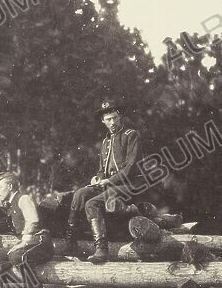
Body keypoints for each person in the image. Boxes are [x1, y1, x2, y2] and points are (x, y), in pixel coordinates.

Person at [63, 100, 155, 263]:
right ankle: (70, 241)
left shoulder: (130, 135)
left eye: (114, 118)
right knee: (80, 193)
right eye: (108, 119)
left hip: (130, 185)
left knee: (92, 203)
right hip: (110, 184)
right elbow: (102, 169)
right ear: (103, 121)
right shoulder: (105, 142)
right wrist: (97, 178)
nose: (112, 122)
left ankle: (101, 248)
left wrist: (108, 181)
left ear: (120, 117)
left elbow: (131, 167)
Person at [0, 171, 55, 288]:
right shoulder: (11, 206)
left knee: (16, 254)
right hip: (28, 245)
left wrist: (23, 242)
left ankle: (35, 287)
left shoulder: (23, 199)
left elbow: (33, 220)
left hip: (40, 242)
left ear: (10, 187)